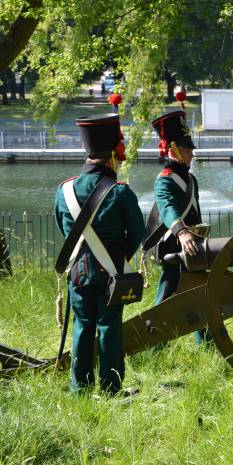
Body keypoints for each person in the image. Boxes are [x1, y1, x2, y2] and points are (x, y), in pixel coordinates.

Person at [54, 113, 145, 395]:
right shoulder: (120, 191)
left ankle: (80, 389)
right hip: (112, 275)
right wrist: (118, 258)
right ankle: (110, 389)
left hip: (78, 272)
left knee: (82, 327)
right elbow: (138, 232)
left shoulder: (64, 189)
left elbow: (64, 229)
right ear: (112, 157)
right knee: (109, 328)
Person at [146, 109, 209, 344]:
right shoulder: (164, 178)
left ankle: (205, 341)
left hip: (193, 244)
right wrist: (182, 233)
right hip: (174, 244)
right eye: (186, 150)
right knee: (166, 298)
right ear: (172, 150)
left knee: (198, 293)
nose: (191, 154)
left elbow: (195, 212)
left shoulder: (191, 179)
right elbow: (167, 208)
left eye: (191, 149)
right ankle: (153, 342)